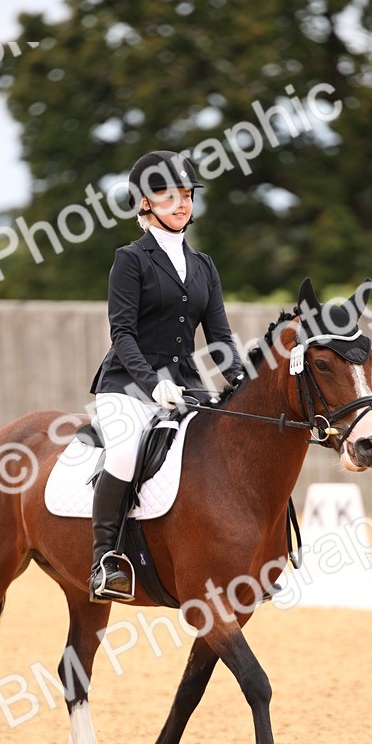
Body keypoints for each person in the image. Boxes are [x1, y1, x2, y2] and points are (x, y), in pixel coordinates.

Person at [87, 149, 243, 602]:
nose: (181, 204)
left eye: (188, 195)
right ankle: (105, 561)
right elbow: (122, 333)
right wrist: (153, 384)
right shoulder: (130, 260)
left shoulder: (204, 266)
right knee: (123, 454)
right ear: (144, 203)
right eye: (169, 196)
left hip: (187, 386)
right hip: (128, 385)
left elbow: (220, 335)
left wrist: (239, 382)